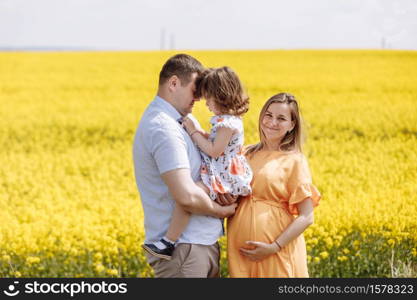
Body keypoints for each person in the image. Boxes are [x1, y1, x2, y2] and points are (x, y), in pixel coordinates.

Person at [133, 54, 237, 278]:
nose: (199, 98)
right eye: (195, 89)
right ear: (173, 83)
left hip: (198, 246)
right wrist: (221, 211)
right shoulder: (163, 128)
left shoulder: (184, 121)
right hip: (184, 250)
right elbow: (187, 196)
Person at [144, 67, 253, 260]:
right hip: (222, 174)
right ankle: (168, 241)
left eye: (208, 98)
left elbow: (214, 150)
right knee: (189, 197)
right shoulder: (227, 121)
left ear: (220, 95)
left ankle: (168, 242)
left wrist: (194, 132)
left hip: (224, 177)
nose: (206, 104)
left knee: (188, 197)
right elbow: (215, 143)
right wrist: (201, 133)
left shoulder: (227, 124)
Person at [227, 92, 321, 277]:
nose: (272, 122)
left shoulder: (294, 160)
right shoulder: (245, 153)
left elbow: (307, 216)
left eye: (281, 118)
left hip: (276, 253)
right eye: (268, 115)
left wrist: (274, 247)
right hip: (241, 255)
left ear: (292, 125)